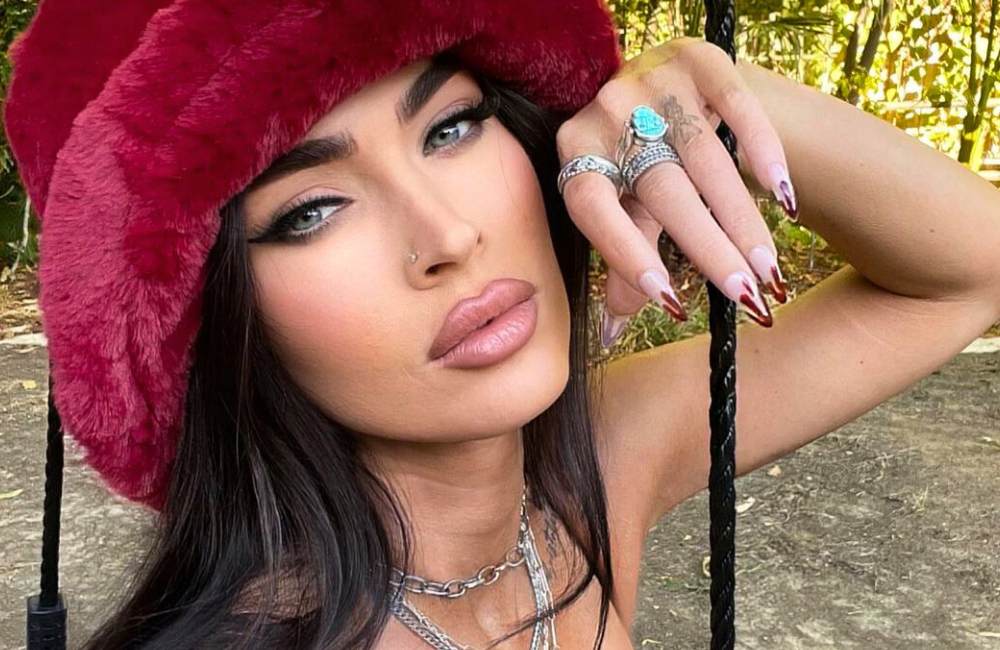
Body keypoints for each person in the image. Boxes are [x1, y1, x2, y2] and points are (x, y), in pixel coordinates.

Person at [5, 1, 999, 649]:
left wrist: (694, 97)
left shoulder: (591, 466)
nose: (448, 234)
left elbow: (969, 269)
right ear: (218, 320)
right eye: (310, 211)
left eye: (451, 127)